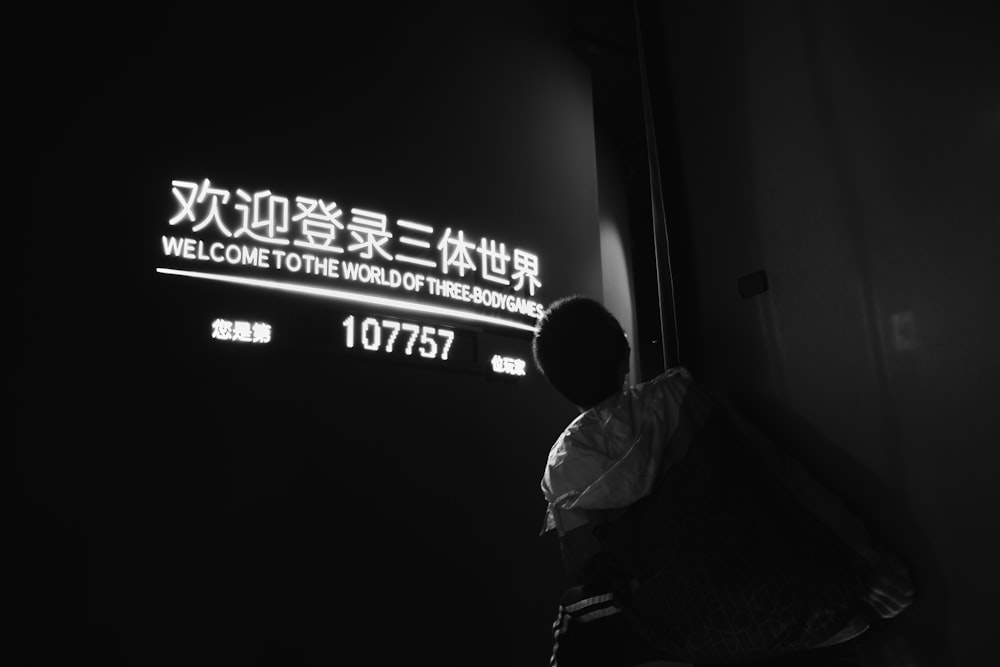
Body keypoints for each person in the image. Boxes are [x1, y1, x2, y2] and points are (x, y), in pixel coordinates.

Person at [532, 295, 914, 667]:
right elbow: (782, 481)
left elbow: (590, 572)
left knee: (576, 610)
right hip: (779, 608)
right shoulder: (680, 398)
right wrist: (866, 560)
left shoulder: (562, 467)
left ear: (558, 384)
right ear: (625, 354)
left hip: (677, 633)